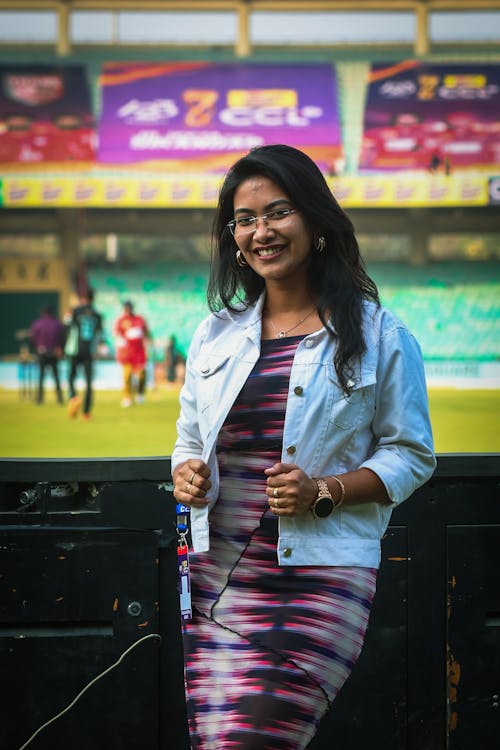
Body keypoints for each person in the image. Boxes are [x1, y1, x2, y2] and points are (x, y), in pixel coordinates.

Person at [171, 144, 436, 750]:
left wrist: (324, 491)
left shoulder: (379, 333)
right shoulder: (213, 337)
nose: (260, 231)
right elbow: (188, 443)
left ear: (315, 221)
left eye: (278, 212)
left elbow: (412, 454)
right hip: (214, 576)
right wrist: (188, 474)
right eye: (244, 219)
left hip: (319, 579)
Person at [66, 289, 103, 421]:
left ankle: (74, 398)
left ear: (83, 298)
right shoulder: (97, 315)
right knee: (88, 382)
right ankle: (86, 412)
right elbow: (99, 335)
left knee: (71, 377)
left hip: (75, 350)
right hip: (89, 351)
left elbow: (69, 328)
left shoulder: (76, 311)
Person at [114, 300, 151, 407]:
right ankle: (127, 397)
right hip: (127, 353)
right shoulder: (121, 321)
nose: (127, 310)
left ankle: (140, 393)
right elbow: (117, 335)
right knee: (127, 376)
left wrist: (148, 345)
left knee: (141, 374)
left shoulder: (139, 320)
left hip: (139, 353)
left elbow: (146, 333)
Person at [29, 304, 65, 405]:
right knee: (56, 377)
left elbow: (33, 338)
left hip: (42, 352)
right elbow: (62, 337)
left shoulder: (37, 324)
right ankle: (60, 399)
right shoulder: (57, 324)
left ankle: (39, 399)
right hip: (53, 353)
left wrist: (37, 348)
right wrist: (59, 348)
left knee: (41, 377)